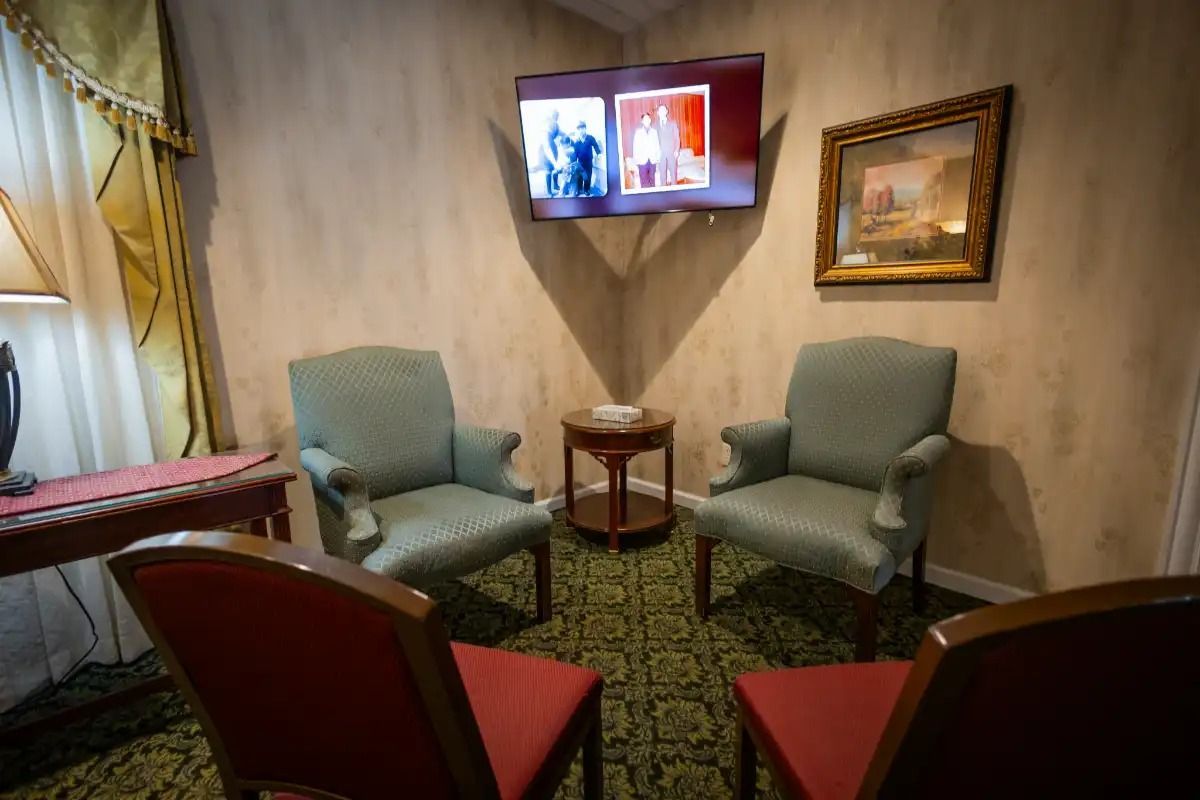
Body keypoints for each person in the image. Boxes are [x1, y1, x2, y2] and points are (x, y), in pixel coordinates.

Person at [571, 121, 602, 195]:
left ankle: (586, 190)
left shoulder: (590, 138)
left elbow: (596, 146)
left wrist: (598, 153)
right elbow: (575, 153)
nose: (581, 131)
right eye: (579, 129)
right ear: (578, 131)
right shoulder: (577, 142)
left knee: (588, 176)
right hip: (580, 162)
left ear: (585, 129)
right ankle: (579, 189)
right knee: (579, 176)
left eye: (582, 128)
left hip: (589, 162)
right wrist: (573, 162)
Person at [631, 112, 660, 190]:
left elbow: (657, 145)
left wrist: (658, 158)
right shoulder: (638, 132)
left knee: (652, 180)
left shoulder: (654, 132)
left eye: (648, 118)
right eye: (645, 119)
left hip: (652, 160)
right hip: (642, 160)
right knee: (644, 181)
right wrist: (636, 160)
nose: (647, 120)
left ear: (650, 120)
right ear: (642, 121)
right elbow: (635, 147)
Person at [656, 103, 681, 187]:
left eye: (664, 110)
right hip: (660, 154)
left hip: (672, 153)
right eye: (660, 110)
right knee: (662, 176)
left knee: (673, 175)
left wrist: (677, 150)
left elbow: (677, 138)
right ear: (658, 113)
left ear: (666, 111)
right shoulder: (654, 125)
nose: (662, 112)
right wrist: (656, 152)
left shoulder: (673, 123)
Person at [537, 112, 561, 197]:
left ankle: (555, 185)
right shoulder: (545, 131)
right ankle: (549, 192)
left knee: (553, 169)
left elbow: (559, 135)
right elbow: (547, 148)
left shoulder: (555, 125)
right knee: (548, 170)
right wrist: (555, 163)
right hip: (545, 152)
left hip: (552, 148)